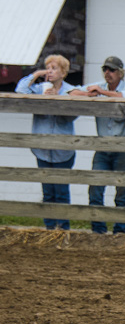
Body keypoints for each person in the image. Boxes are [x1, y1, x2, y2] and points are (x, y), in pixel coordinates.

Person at [70, 56, 125, 234]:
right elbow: (71, 92)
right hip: (103, 145)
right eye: (105, 69)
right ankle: (98, 230)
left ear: (120, 73)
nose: (108, 73)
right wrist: (89, 94)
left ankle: (120, 232)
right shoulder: (98, 86)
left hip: (124, 145)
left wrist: (102, 92)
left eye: (112, 70)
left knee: (122, 189)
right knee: (95, 187)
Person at [15, 54, 79, 230]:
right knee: (48, 192)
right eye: (48, 68)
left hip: (63, 150)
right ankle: (49, 229)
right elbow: (20, 91)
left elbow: (73, 115)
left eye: (54, 68)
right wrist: (36, 75)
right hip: (42, 150)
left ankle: (63, 229)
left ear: (63, 72)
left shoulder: (71, 90)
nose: (50, 72)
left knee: (61, 191)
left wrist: (57, 101)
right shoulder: (39, 88)